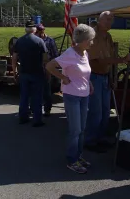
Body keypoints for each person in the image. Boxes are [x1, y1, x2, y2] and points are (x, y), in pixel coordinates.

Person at [46, 24, 95, 174]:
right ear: (83, 40)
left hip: (84, 95)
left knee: (81, 130)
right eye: (90, 40)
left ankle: (78, 156)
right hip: (72, 95)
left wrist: (90, 83)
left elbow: (85, 73)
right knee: (75, 130)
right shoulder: (70, 54)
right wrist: (63, 78)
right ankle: (72, 160)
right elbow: (49, 66)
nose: (92, 42)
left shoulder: (84, 53)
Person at [84, 11, 130, 152]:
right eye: (107, 19)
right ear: (99, 20)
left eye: (111, 20)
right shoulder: (93, 35)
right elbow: (98, 60)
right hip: (93, 77)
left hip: (104, 77)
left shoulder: (108, 36)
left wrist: (112, 77)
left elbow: (110, 59)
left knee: (106, 111)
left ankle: (101, 137)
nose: (109, 22)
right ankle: (90, 140)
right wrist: (122, 60)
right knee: (96, 111)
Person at [12, 20, 49, 127]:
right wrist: (47, 72)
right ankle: (37, 119)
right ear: (34, 29)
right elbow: (45, 58)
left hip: (23, 72)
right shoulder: (39, 41)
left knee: (24, 96)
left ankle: (23, 117)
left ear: (25, 29)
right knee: (37, 97)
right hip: (37, 72)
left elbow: (14, 58)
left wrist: (14, 71)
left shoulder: (19, 41)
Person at [36, 24, 59, 116]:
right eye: (39, 31)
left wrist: (52, 66)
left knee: (46, 89)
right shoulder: (35, 40)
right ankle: (34, 108)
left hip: (47, 66)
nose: (41, 33)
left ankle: (47, 109)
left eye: (42, 31)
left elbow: (55, 54)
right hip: (37, 66)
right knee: (36, 89)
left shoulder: (50, 40)